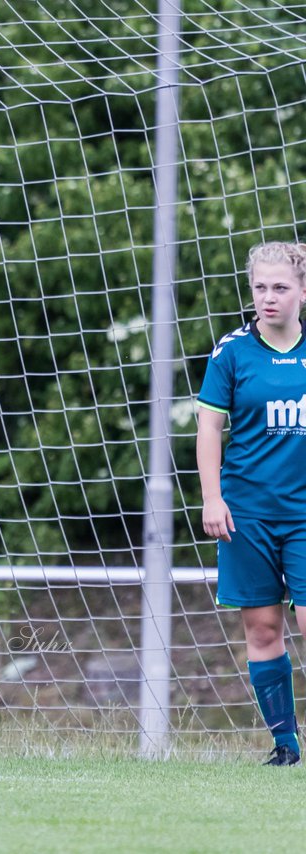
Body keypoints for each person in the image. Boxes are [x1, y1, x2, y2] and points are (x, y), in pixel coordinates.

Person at [197, 241, 306, 766]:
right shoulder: (232, 352)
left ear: (302, 292)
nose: (268, 298)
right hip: (247, 513)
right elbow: (209, 428)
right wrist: (212, 497)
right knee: (262, 629)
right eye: (260, 287)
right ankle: (285, 746)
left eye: (280, 287)